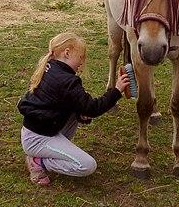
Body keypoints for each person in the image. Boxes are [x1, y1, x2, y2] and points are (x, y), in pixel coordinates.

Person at [17, 32, 130, 185]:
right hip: (37, 139)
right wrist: (116, 90)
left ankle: (46, 152)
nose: (82, 63)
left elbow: (71, 104)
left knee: (77, 109)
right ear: (67, 53)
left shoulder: (51, 68)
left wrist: (80, 113)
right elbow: (93, 108)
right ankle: (38, 161)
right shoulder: (66, 80)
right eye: (81, 57)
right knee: (87, 165)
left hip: (36, 131)